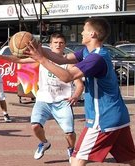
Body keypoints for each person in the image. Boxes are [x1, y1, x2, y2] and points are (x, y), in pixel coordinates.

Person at [25, 17, 135, 165]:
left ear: (93, 34)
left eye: (84, 29)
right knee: (131, 159)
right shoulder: (87, 52)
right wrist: (39, 49)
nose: (81, 32)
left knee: (76, 160)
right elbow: (62, 59)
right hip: (118, 117)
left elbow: (67, 76)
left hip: (103, 118)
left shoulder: (96, 58)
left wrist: (41, 59)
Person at [0, 33, 84, 161]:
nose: (58, 45)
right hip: (43, 99)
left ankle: (71, 148)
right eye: (55, 43)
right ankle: (44, 142)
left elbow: (79, 84)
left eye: (61, 43)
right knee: (35, 125)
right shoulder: (42, 58)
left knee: (69, 133)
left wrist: (76, 95)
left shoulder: (69, 64)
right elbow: (19, 60)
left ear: (64, 45)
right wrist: (0, 56)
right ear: (50, 45)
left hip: (62, 101)